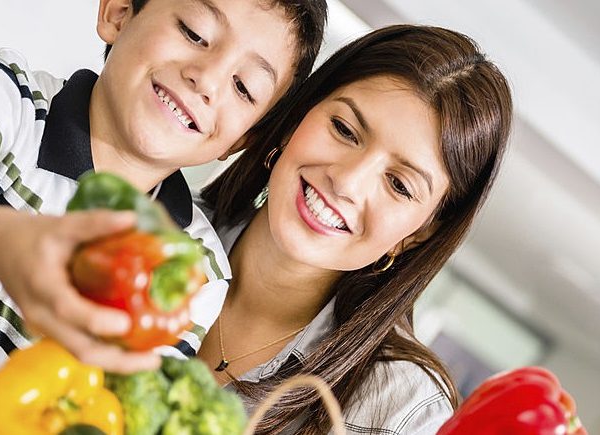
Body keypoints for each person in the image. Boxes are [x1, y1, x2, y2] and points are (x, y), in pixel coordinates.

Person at [0, 0, 327, 430]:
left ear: (241, 141)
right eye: (194, 32)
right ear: (118, 13)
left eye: (244, 87)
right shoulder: (3, 95)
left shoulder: (197, 271)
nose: (206, 80)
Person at [198, 24, 513, 434]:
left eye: (399, 184)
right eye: (344, 130)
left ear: (420, 233)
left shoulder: (402, 408)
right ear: (298, 115)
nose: (346, 182)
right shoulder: (149, 220)